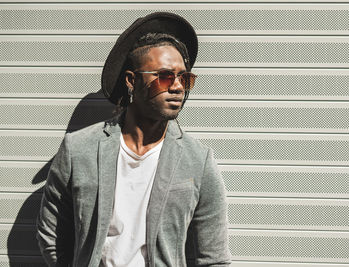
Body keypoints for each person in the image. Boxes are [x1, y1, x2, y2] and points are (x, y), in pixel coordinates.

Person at [36, 12, 231, 267]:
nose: (177, 87)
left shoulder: (198, 160)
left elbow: (214, 258)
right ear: (131, 80)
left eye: (184, 78)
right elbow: (51, 237)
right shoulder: (78, 149)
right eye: (164, 76)